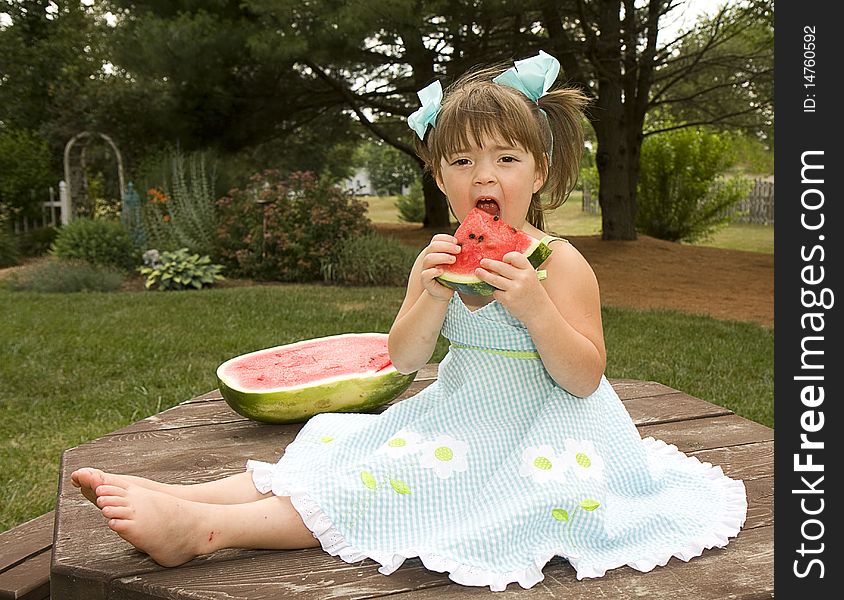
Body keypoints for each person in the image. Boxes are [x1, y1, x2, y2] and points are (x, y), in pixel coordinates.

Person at [71, 51, 746, 591]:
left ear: (538, 173)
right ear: (442, 178)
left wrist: (536, 309)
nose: (486, 173)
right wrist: (427, 295)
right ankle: (184, 494)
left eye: (507, 158)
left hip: (537, 432)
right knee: (342, 450)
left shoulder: (563, 264)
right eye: (463, 160)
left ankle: (205, 532)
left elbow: (584, 377)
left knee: (385, 485)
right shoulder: (442, 257)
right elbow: (403, 357)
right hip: (456, 411)